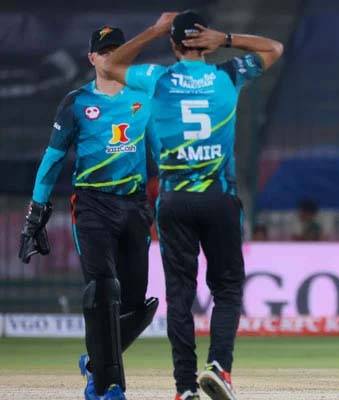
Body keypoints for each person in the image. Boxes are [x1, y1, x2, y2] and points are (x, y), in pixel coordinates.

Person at [102, 11, 283, 400]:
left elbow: (110, 65)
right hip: (219, 198)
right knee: (227, 288)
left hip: (174, 201)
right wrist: (227, 38)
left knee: (180, 295)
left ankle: (184, 386)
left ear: (173, 44)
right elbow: (274, 48)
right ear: (206, 43)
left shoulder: (158, 78)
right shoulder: (228, 75)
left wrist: (152, 30)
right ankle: (219, 367)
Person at [18, 26, 158, 400]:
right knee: (102, 292)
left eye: (118, 50)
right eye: (104, 51)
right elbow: (52, 158)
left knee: (136, 305)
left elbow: (160, 154)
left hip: (135, 205)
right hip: (93, 205)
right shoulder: (76, 102)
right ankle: (110, 387)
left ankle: (95, 363)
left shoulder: (144, 99)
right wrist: (36, 212)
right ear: (92, 58)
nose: (111, 56)